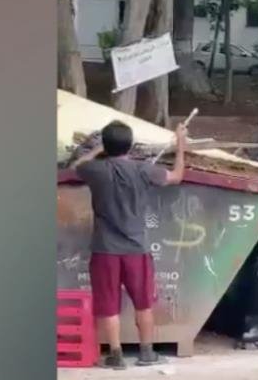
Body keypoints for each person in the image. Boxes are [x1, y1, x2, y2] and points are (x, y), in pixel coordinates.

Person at [72, 120, 189, 370]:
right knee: (143, 302)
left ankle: (116, 356)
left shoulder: (96, 170)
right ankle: (146, 352)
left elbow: (76, 167)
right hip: (138, 249)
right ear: (131, 145)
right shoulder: (144, 170)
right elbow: (177, 177)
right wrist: (181, 144)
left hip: (105, 249)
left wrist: (96, 150)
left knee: (108, 303)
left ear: (106, 144)